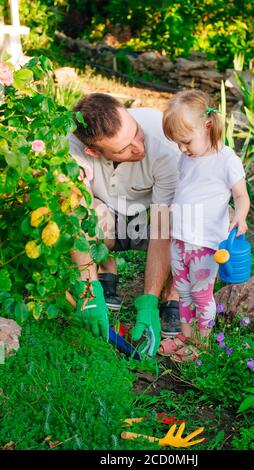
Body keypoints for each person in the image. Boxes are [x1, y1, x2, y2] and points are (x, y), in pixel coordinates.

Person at [68, 93, 181, 357]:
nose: (138, 148)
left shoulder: (164, 144)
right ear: (94, 151)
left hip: (151, 218)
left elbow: (163, 227)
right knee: (75, 212)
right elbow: (75, 216)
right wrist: (87, 290)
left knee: (193, 222)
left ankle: (172, 295)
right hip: (108, 215)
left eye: (136, 134)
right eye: (124, 149)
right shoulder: (71, 149)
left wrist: (148, 301)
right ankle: (104, 268)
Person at [158, 89, 250, 362]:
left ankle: (203, 343)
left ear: (207, 126)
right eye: (178, 144)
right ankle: (186, 335)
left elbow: (241, 195)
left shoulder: (226, 159)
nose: (182, 149)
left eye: (185, 141)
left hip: (206, 245)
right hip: (180, 240)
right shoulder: (186, 158)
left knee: (201, 295)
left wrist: (240, 216)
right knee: (183, 292)